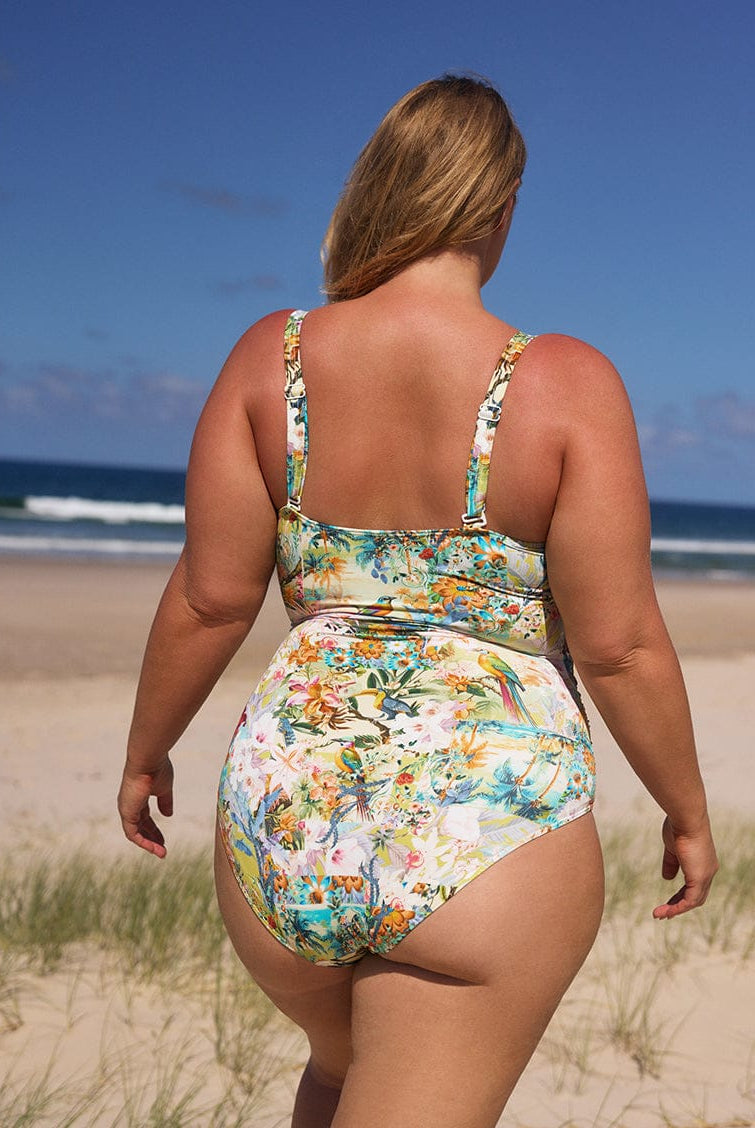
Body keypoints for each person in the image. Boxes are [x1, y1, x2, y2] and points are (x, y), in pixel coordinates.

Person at [118, 75, 719, 1128]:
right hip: (483, 831)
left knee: (347, 1082)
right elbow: (619, 646)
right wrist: (684, 806)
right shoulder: (561, 383)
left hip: (286, 817)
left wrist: (144, 752)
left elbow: (210, 601)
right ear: (500, 203)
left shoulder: (275, 357)